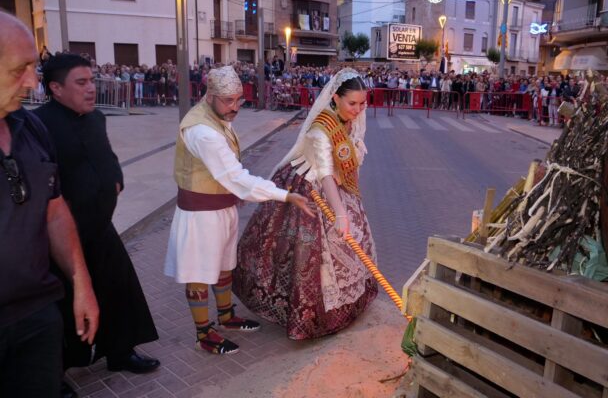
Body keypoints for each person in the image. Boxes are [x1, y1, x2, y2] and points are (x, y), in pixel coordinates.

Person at [164, 66, 314, 355]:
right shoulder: (202, 131)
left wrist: (237, 193)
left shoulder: (217, 117)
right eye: (228, 101)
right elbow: (234, 176)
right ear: (210, 96)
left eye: (239, 100)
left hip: (221, 207)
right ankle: (203, 333)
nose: (235, 107)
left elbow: (231, 177)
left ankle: (226, 315)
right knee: (199, 271)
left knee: (223, 265)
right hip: (200, 215)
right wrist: (285, 195)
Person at [34, 54, 160, 380]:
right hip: (62, 237)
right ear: (55, 88)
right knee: (65, 304)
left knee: (117, 289)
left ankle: (120, 352)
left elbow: (108, 155)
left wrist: (116, 175)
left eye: (92, 81)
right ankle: (58, 375)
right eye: (82, 83)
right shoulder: (39, 126)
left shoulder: (96, 118)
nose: (91, 89)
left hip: (100, 227)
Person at [233, 68, 378, 340]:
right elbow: (324, 173)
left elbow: (347, 165)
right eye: (352, 103)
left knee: (350, 247)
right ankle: (310, 316)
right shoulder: (321, 130)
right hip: (309, 190)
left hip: (338, 190)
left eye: (362, 103)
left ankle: (347, 304)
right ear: (335, 98)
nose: (358, 110)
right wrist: (340, 212)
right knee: (309, 255)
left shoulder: (351, 122)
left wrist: (350, 202)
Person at [0, 11, 99, 397]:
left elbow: (54, 210)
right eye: (18, 70)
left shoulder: (30, 127)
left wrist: (81, 283)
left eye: (33, 68)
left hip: (37, 316)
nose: (31, 82)